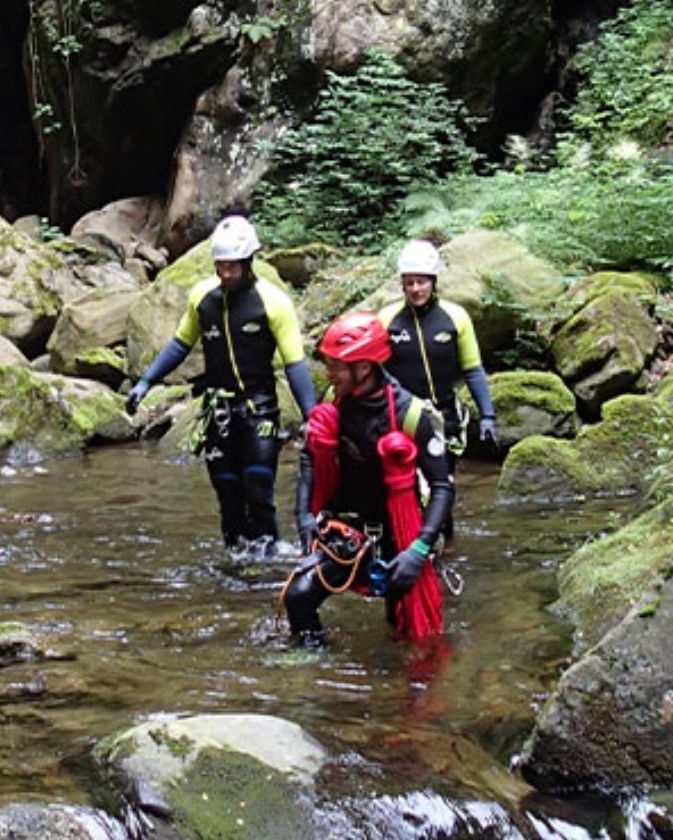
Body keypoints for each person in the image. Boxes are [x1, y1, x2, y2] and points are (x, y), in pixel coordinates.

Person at [125, 215, 318, 552]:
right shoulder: (203, 298)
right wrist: (145, 382)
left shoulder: (273, 303)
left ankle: (269, 557)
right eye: (221, 266)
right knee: (227, 491)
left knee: (258, 486)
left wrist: (314, 417)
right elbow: (180, 345)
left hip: (260, 408)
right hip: (219, 410)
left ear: (248, 261)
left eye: (233, 267)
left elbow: (294, 364)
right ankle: (236, 558)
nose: (226, 274)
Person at [283, 311, 454, 644]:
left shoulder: (412, 414)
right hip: (347, 530)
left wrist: (419, 550)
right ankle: (316, 674)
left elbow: (442, 487)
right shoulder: (334, 401)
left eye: (336, 365)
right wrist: (304, 516)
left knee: (407, 635)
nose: (328, 374)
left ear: (363, 367)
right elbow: (309, 457)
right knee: (298, 597)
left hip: (400, 537)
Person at [379, 238, 497, 459]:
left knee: (443, 485)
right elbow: (374, 374)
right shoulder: (387, 319)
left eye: (421, 282)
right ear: (402, 284)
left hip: (446, 416)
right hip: (400, 418)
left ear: (433, 281)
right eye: (410, 283)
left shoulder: (456, 317)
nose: (415, 289)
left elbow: (472, 370)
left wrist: (487, 415)